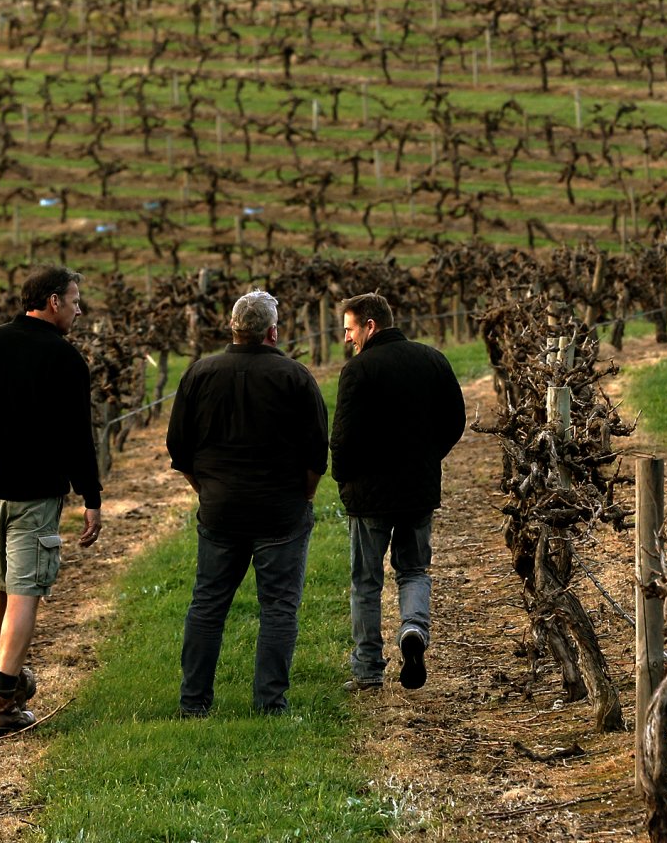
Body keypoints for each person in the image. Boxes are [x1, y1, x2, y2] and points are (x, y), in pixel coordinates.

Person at [0, 265, 103, 736]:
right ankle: (1, 702)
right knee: (24, 591)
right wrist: (91, 497)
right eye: (75, 300)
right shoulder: (66, 360)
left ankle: (10, 682)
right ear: (53, 301)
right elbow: (79, 437)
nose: (79, 309)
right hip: (33, 496)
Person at [167, 288, 328, 717]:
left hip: (220, 507)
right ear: (273, 332)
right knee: (278, 607)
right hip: (281, 510)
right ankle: (270, 703)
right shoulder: (295, 377)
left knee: (207, 604)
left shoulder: (199, 374)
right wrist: (305, 494)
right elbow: (317, 451)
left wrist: (206, 489)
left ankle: (193, 703)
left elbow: (178, 449)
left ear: (232, 328)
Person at [330, 292, 465, 692]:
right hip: (417, 490)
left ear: (370, 326)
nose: (348, 339)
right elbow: (454, 419)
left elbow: (342, 438)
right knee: (413, 570)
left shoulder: (358, 371)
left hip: (369, 495)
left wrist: (344, 479)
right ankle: (413, 631)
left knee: (366, 582)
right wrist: (427, 457)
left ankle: (369, 670)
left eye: (350, 329)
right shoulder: (433, 359)